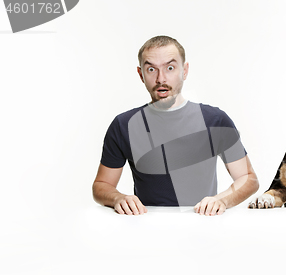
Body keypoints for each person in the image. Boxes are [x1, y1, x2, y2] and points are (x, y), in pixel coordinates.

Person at [92, 36, 259, 216]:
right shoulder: (123, 125)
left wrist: (222, 200)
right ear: (141, 74)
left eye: (170, 68)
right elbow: (102, 185)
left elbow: (248, 178)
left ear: (184, 71)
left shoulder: (215, 120)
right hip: (145, 226)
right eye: (151, 69)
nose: (160, 78)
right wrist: (118, 198)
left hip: (203, 225)